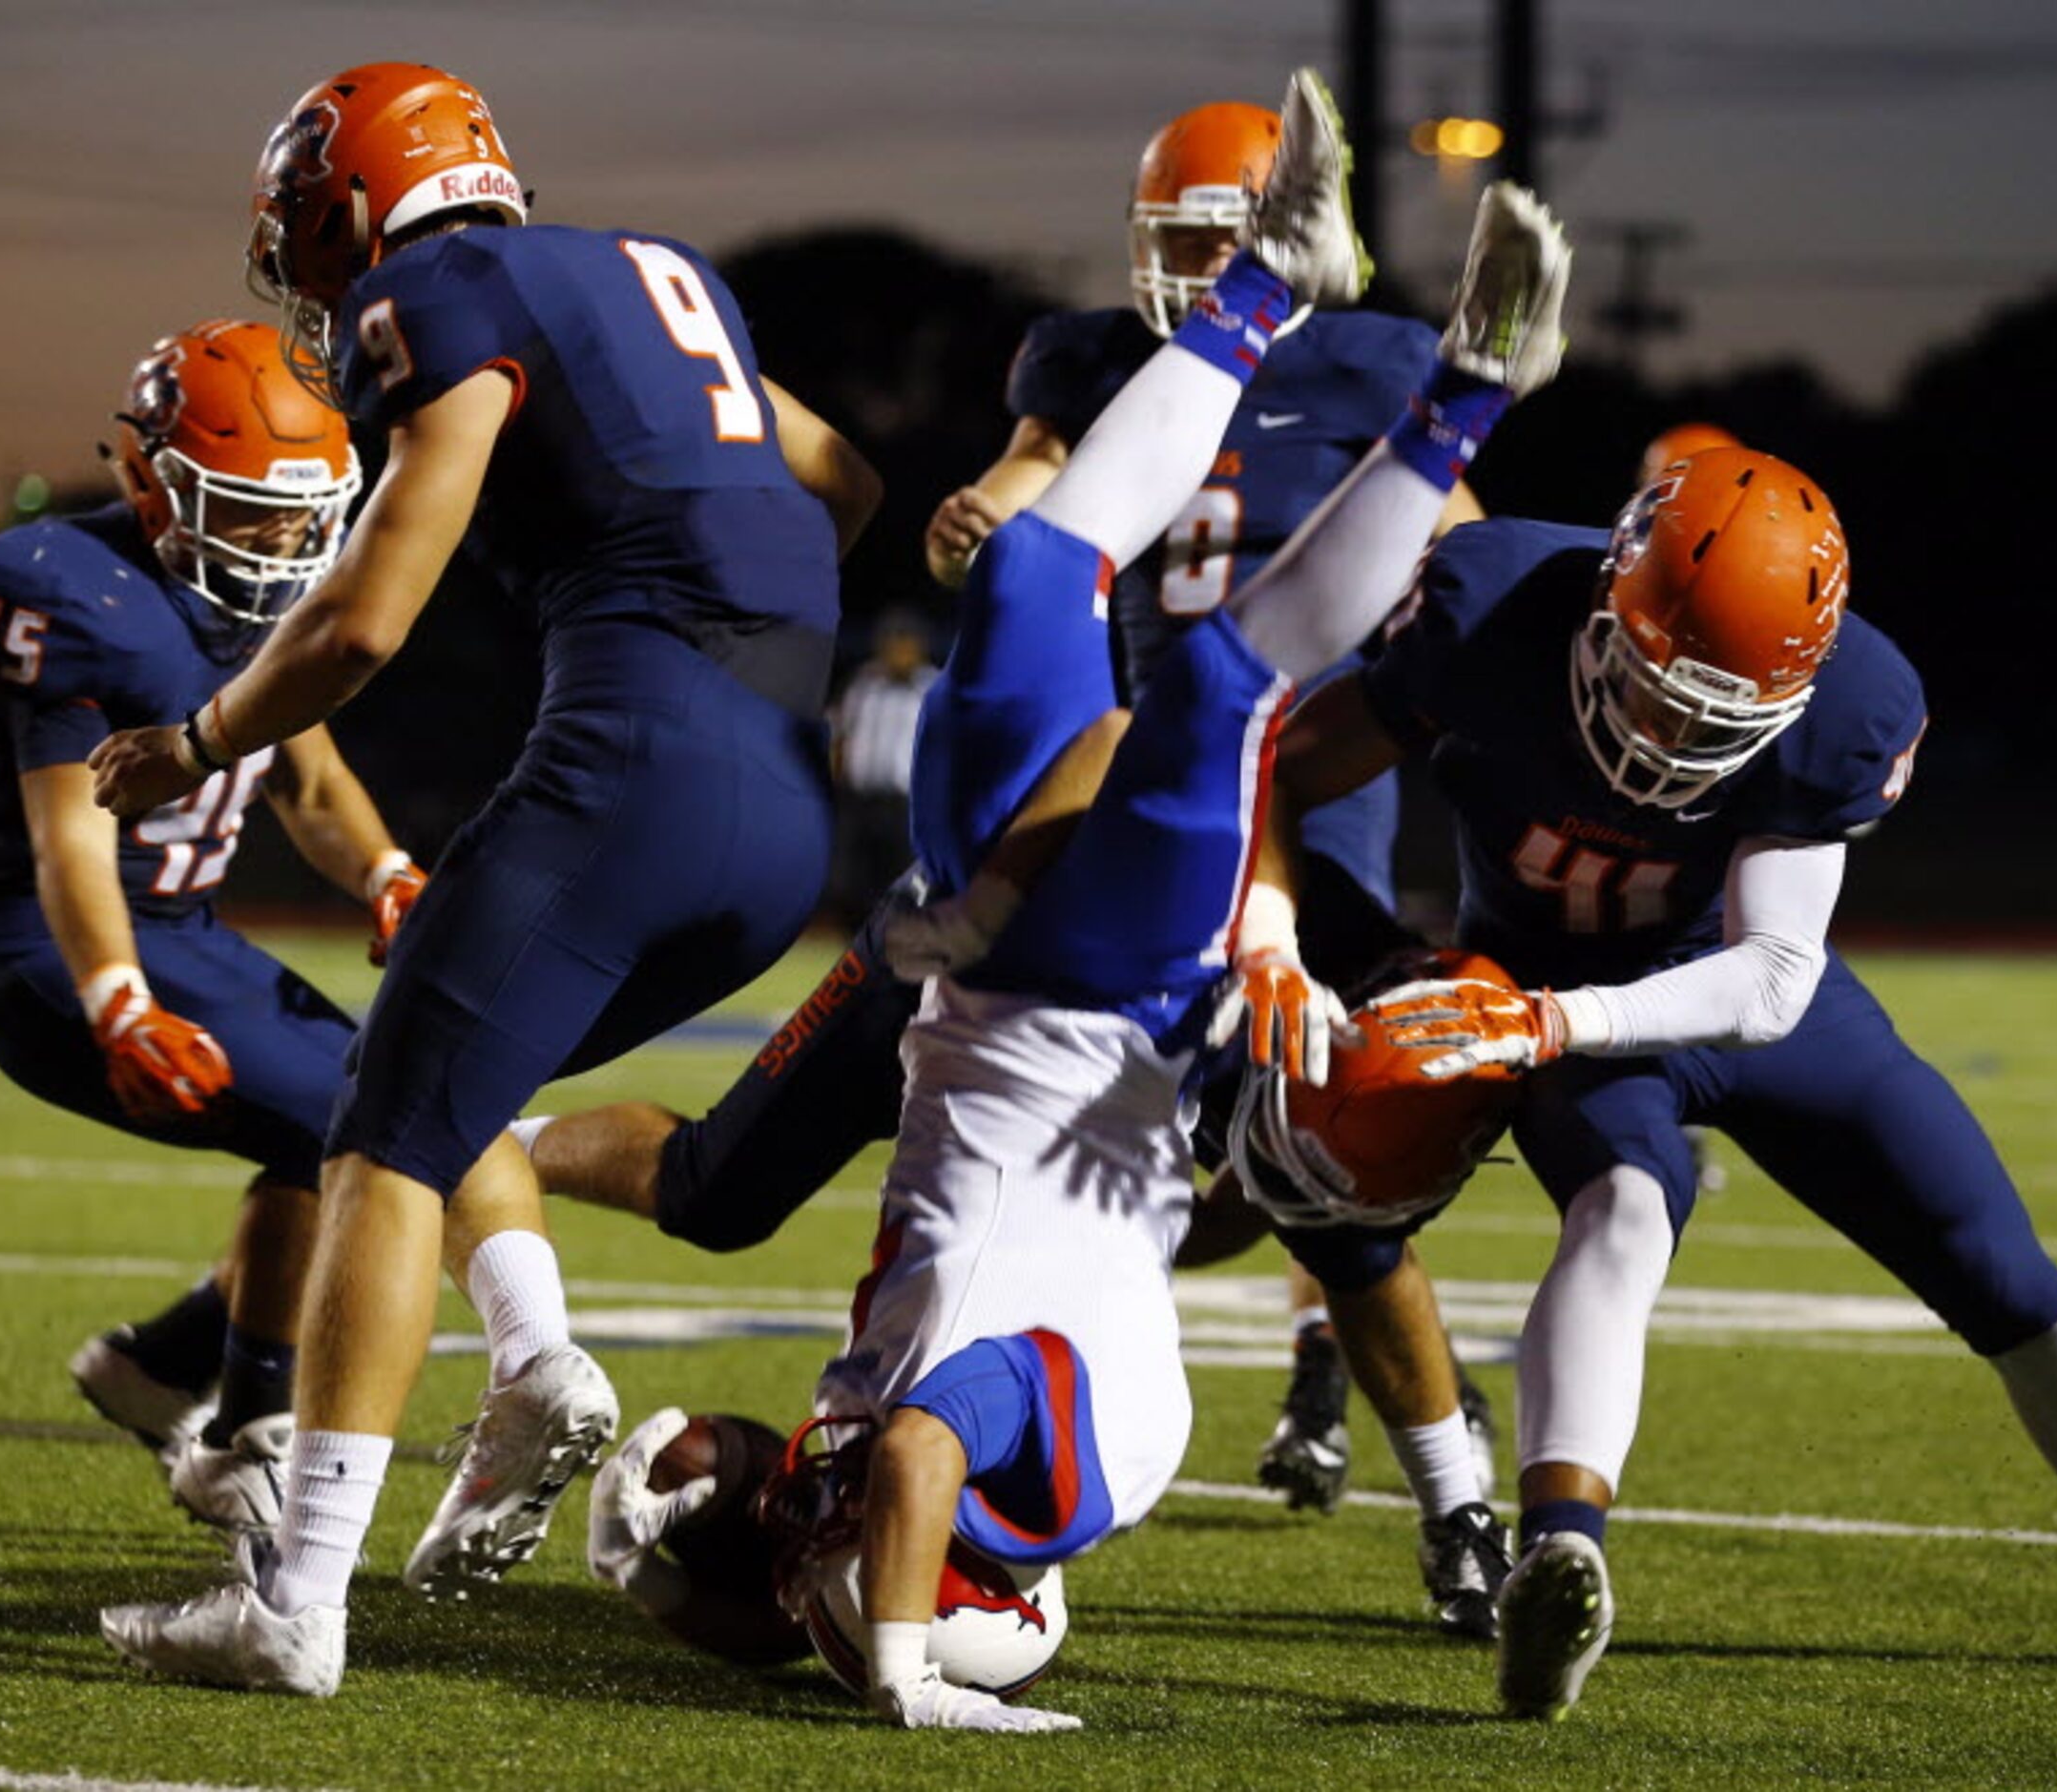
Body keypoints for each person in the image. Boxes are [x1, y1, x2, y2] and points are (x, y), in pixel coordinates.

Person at [592, 86, 1569, 1731]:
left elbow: (846, 1463)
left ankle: (1274, 281)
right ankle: (1474, 391)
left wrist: (681, 1530)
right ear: (993, 1587)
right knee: (1220, 680)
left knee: (1048, 571)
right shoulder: (1072, 1457)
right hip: (1101, 989)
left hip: (985, 991)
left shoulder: (870, 1462)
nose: (762, 1492)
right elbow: (917, 1459)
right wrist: (908, 1678)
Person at [1248, 441, 2057, 1719]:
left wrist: (1542, 1020)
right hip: (1539, 981)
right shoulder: (1493, 600)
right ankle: (1561, 1551)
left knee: (2012, 1280)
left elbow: (1768, 982)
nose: (1674, 735)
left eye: (1719, 718)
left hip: (1683, 989)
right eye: (1656, 690)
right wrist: (1275, 941)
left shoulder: (1852, 697)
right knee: (1621, 1214)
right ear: (1602, 611)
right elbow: (1279, 768)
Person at [91, 61, 880, 1697]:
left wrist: (199, 733)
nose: (315, 274)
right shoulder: (663, 273)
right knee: (451, 1102)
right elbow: (845, 482)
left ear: (362, 207)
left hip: (635, 757)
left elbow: (368, 616)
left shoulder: (440, 285)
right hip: (780, 806)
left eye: (314, 234)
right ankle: (528, 1371)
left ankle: (295, 1599)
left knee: (380, 1127)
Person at [0, 317, 421, 1535]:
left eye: (302, 508)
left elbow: (308, 783)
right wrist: (117, 1000)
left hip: (190, 931)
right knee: (359, 1129)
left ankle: (169, 1366)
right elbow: (70, 838)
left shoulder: (262, 595)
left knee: (371, 1115)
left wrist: (385, 874)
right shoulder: (72, 587)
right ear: (149, 479)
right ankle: (245, 1432)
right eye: (249, 505)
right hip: (59, 948)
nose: (284, 537)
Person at [824, 609, 937, 919]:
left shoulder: (932, 689)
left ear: (919, 647)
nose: (897, 652)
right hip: (859, 801)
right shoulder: (863, 683)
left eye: (904, 643)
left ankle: (893, 954)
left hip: (905, 806)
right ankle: (854, 951)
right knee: (851, 884)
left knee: (901, 885)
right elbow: (839, 733)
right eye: (891, 643)